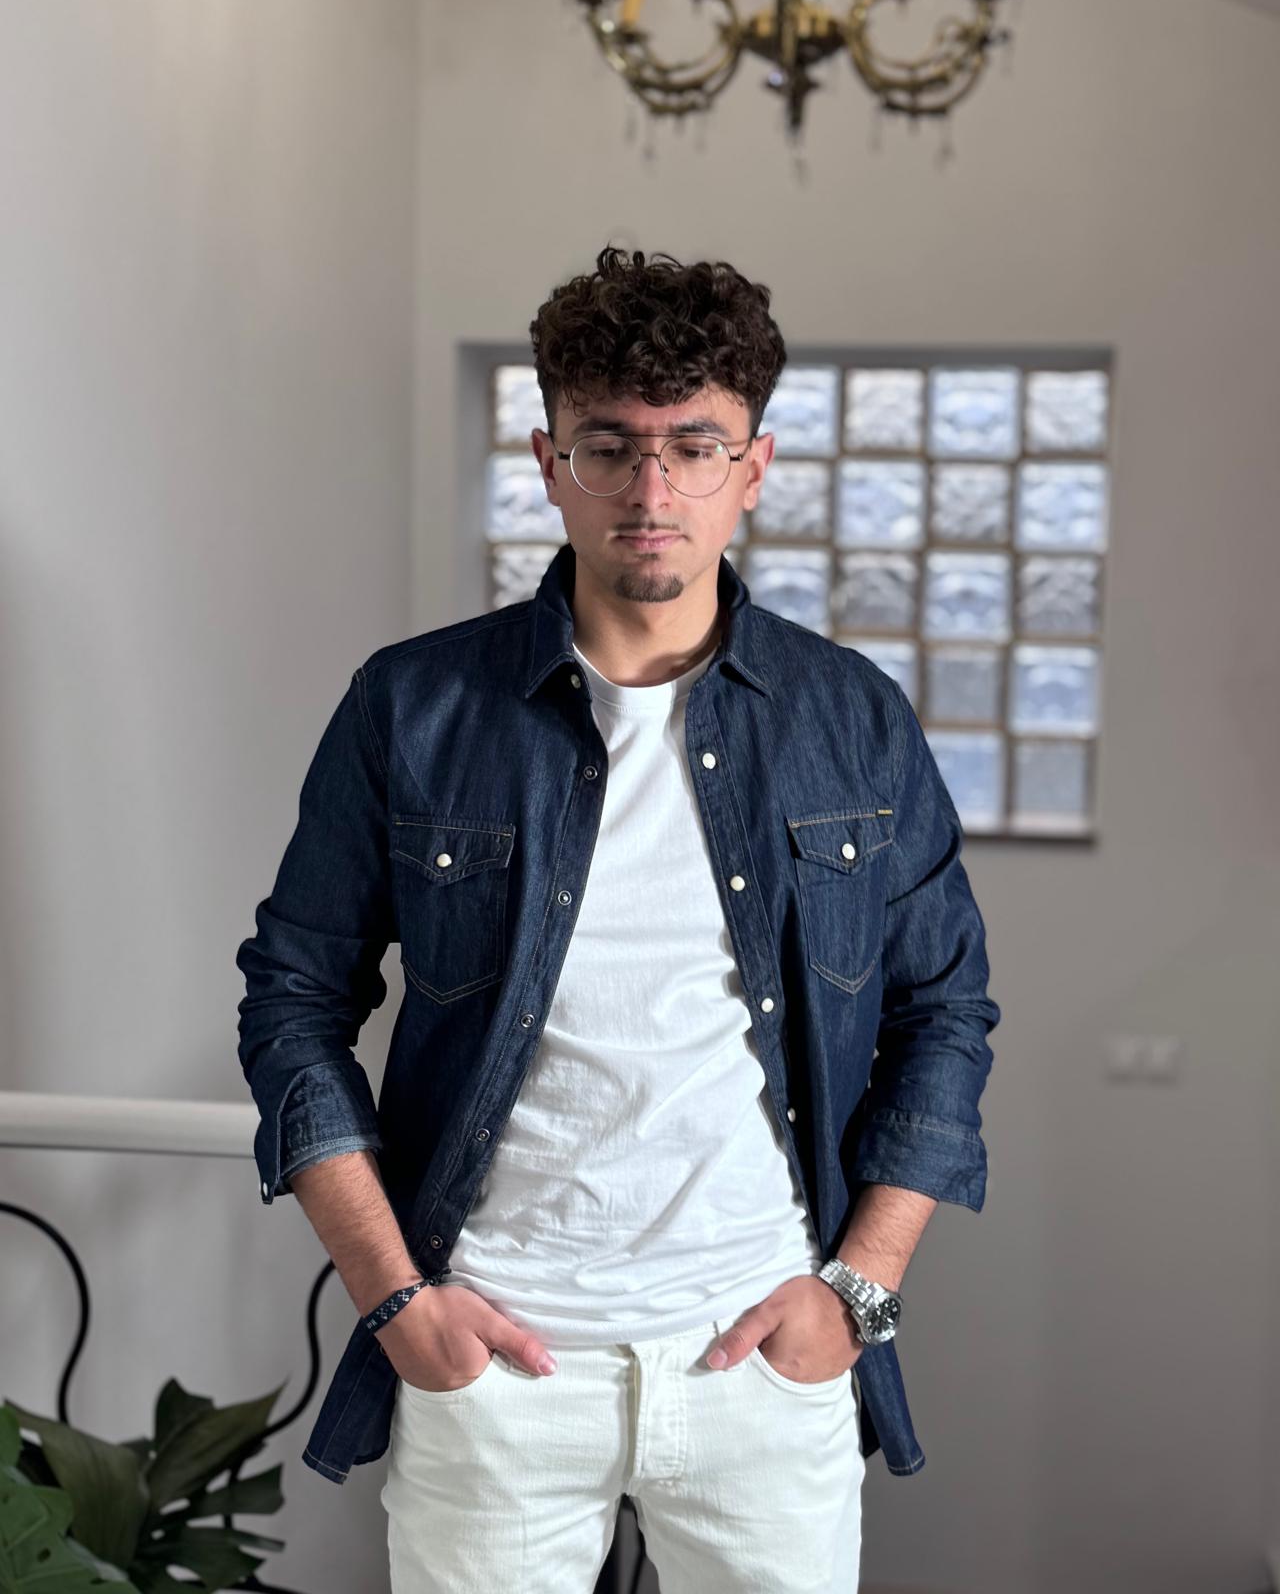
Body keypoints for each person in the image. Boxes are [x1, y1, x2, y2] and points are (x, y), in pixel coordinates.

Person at [235, 246, 1001, 1594]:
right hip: (495, 1370)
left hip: (762, 1365)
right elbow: (293, 1003)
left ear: (753, 469)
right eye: (609, 447)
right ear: (550, 463)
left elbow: (945, 1012)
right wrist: (395, 1298)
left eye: (694, 447)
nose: (652, 493)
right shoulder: (414, 707)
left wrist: (857, 1292)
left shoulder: (852, 720)